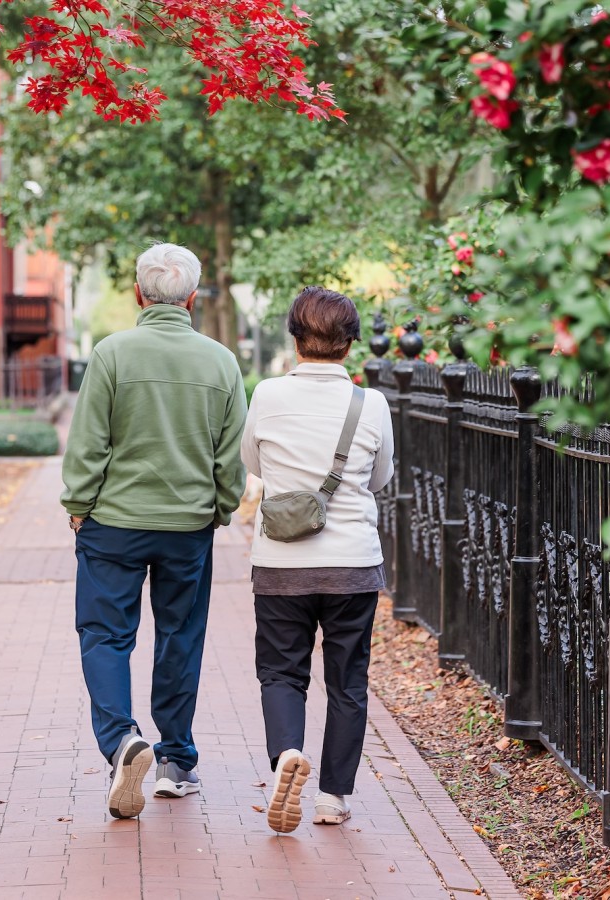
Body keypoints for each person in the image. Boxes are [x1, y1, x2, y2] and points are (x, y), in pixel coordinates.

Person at [61, 243, 247, 819]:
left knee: (105, 635)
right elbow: (229, 455)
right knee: (179, 636)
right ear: (192, 298)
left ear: (139, 295)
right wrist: (220, 507)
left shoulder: (112, 354)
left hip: (114, 522)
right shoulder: (221, 362)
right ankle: (174, 763)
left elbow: (89, 440)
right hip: (186, 525)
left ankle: (121, 741)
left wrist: (78, 502)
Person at [240, 286, 394, 834]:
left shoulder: (266, 395)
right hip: (352, 563)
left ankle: (286, 756)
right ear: (350, 344)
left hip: (282, 563)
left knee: (282, 672)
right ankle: (332, 797)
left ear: (296, 339)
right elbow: (380, 479)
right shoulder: (370, 404)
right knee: (348, 681)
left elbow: (251, 462)